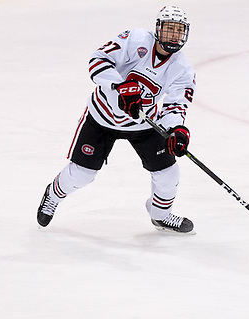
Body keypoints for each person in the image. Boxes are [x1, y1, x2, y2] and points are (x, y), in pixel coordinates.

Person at [37, 5, 196, 234]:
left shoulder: (183, 69)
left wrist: (177, 131)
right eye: (169, 29)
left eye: (178, 31)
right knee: (82, 175)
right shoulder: (136, 40)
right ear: (158, 29)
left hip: (144, 124)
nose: (173, 35)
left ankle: (160, 216)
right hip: (102, 117)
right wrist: (120, 87)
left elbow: (176, 105)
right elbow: (97, 60)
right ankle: (53, 195)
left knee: (169, 173)